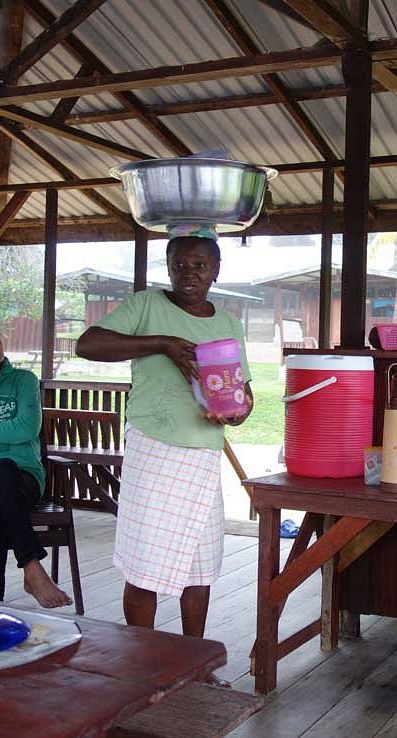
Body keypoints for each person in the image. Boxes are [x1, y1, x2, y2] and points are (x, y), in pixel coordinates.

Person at [75, 226, 253, 639]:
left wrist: (236, 412)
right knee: (145, 567)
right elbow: (88, 344)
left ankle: (193, 657)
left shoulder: (228, 323)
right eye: (179, 265)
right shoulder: (145, 305)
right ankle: (142, 657)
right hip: (154, 452)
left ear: (216, 270)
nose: (189, 273)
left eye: (199, 265)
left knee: (199, 569)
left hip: (203, 457)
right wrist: (162, 344)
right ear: (168, 269)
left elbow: (243, 394)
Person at [0, 316, 72, 609]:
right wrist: (1, 435)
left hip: (24, 478)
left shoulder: (23, 381)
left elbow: (27, 429)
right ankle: (30, 567)